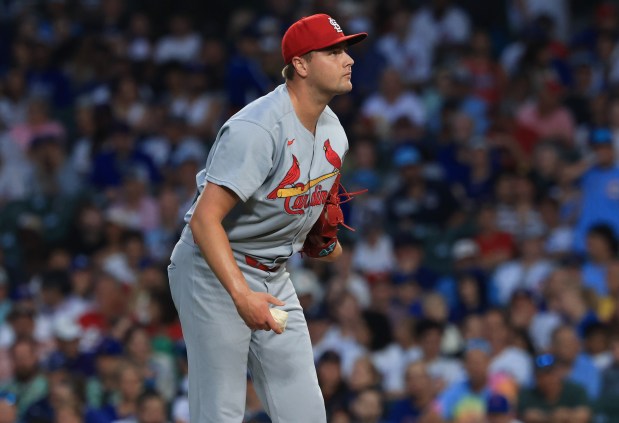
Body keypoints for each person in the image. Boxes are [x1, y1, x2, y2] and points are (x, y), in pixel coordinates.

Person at [167, 13, 367, 423]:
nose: (347, 59)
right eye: (334, 51)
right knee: (220, 410)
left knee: (305, 411)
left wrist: (320, 238)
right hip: (213, 269)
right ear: (301, 64)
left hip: (273, 271)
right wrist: (241, 295)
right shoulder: (257, 128)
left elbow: (314, 210)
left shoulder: (335, 132)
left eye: (346, 49)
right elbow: (205, 221)